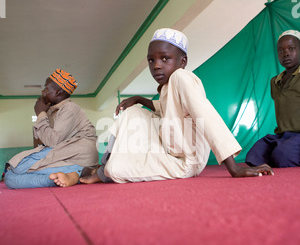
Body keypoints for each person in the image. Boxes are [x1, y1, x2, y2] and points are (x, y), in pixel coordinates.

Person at [51, 28, 273, 187]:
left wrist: (233, 167)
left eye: (165, 58)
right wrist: (138, 98)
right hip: (168, 151)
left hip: (187, 161)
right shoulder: (168, 87)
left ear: (182, 61)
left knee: (117, 170)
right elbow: (162, 108)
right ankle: (102, 166)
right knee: (133, 112)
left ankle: (99, 170)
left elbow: (205, 114)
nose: (156, 65)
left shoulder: (182, 78)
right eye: (151, 60)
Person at [5, 69, 99, 189]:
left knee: (17, 167)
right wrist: (44, 113)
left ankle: (78, 171)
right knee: (10, 178)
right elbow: (41, 141)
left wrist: (40, 114)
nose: (43, 91)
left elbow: (52, 141)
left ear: (58, 92)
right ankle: (69, 176)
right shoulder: (52, 110)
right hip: (63, 155)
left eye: (46, 88)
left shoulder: (69, 108)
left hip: (77, 156)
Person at [246, 30, 300, 168]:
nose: (286, 53)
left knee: (283, 155)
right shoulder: (275, 82)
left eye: (291, 48)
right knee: (254, 155)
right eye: (280, 51)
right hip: (283, 135)